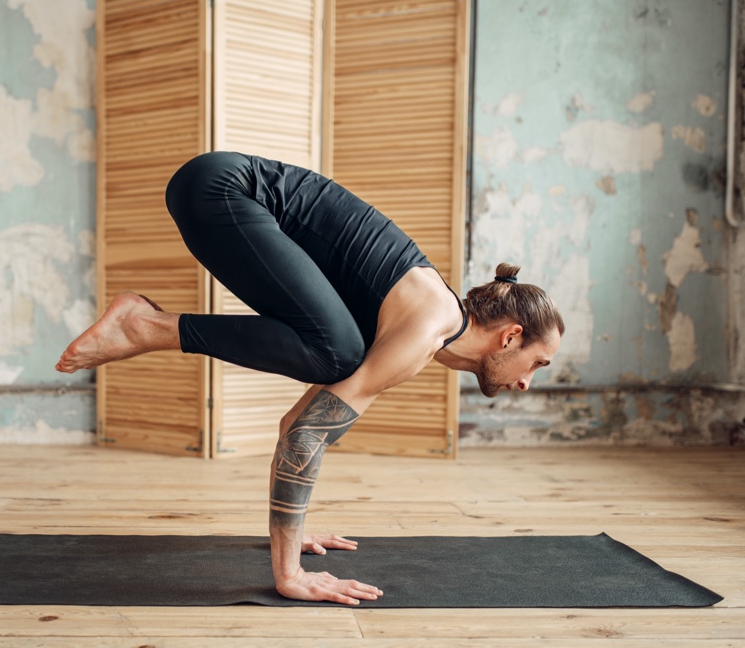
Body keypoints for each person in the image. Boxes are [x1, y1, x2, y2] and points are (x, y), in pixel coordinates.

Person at [56, 151, 565, 605]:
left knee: (340, 354)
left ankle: (145, 324)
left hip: (212, 189)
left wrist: (291, 530)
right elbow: (306, 437)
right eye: (537, 364)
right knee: (337, 354)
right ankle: (143, 324)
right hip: (222, 190)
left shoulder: (422, 319)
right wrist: (290, 574)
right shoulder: (429, 328)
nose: (526, 383)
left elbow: (294, 423)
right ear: (510, 337)